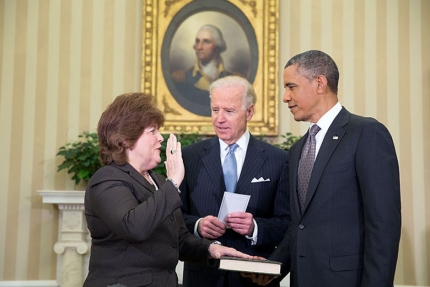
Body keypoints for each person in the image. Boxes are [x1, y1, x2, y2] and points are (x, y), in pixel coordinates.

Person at [248, 50, 401, 287]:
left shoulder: (366, 134)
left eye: (291, 87)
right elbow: (300, 226)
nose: (285, 97)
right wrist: (271, 268)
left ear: (320, 83)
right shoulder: (298, 149)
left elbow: (383, 226)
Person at [83, 92, 253, 287]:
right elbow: (133, 227)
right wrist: (173, 182)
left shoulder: (158, 181)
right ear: (126, 138)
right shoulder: (107, 178)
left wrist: (211, 249)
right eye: (152, 131)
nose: (160, 138)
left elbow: (178, 239)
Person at [179, 75, 290, 287]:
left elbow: (288, 224)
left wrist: (255, 227)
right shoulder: (189, 157)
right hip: (203, 277)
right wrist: (198, 225)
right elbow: (174, 219)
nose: (219, 119)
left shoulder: (279, 160)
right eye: (215, 109)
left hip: (253, 279)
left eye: (229, 111)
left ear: (249, 112)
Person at [171, 24, 241, 116]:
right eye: (197, 41)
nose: (199, 47)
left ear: (217, 47)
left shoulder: (236, 80)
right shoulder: (180, 79)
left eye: (206, 42)